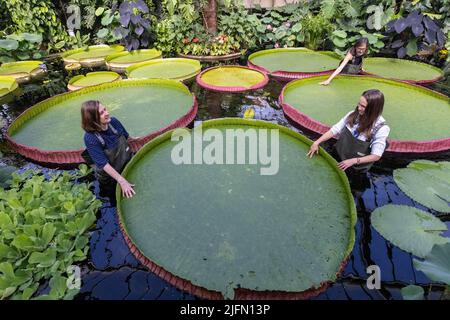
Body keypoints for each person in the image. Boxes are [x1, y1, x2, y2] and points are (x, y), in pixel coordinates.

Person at [307, 89, 390, 173]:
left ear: (373, 109)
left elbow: (376, 155)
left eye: (363, 106)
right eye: (359, 104)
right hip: (339, 154)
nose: (359, 108)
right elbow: (335, 129)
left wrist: (353, 161)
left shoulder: (381, 128)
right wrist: (316, 142)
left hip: (355, 167)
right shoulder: (353, 114)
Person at [81, 100, 135, 199]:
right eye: (101, 113)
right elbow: (103, 164)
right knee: (114, 198)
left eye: (105, 109)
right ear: (93, 119)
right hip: (111, 178)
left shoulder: (114, 122)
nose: (107, 113)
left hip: (127, 164)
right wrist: (122, 181)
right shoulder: (90, 138)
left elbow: (128, 138)